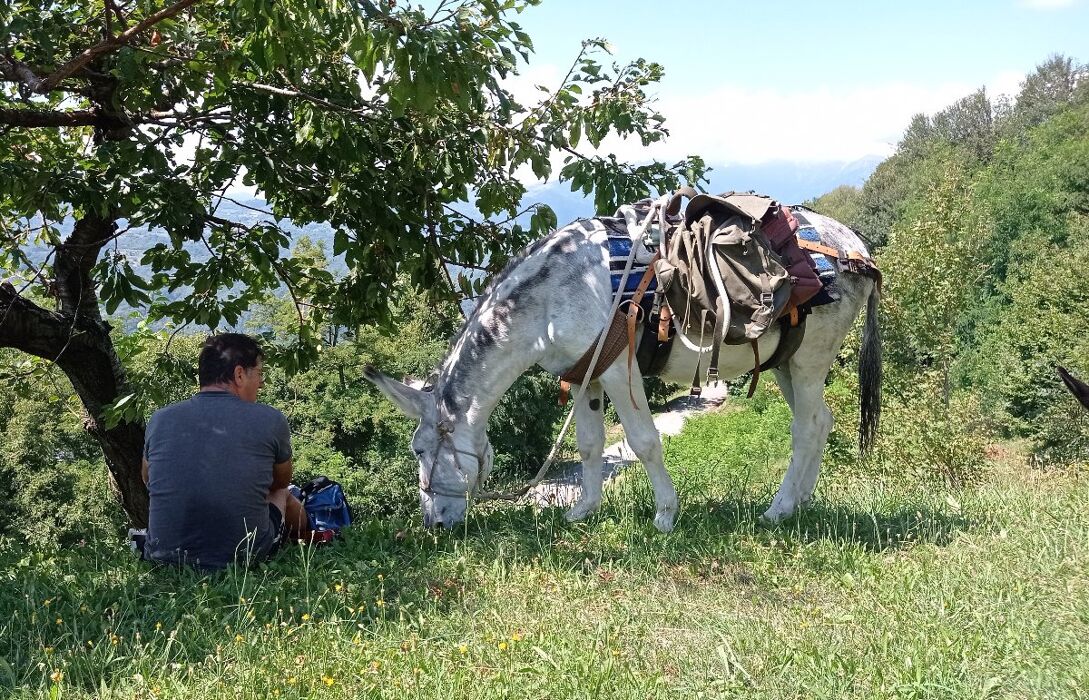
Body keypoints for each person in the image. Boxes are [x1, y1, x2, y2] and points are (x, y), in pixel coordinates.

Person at [141, 333, 312, 569]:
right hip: (244, 555)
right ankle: (308, 537)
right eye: (259, 374)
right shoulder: (270, 418)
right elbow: (280, 482)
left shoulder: (160, 419)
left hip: (163, 556)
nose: (261, 383)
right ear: (239, 374)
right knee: (283, 494)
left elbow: (149, 479)